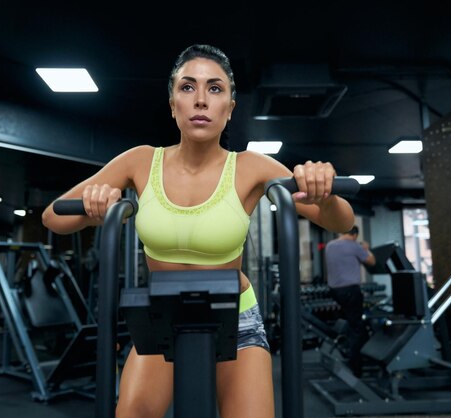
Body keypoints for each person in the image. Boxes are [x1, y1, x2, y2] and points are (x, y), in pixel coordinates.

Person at [42, 43, 355, 418]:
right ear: (173, 104)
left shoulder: (250, 167)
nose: (201, 100)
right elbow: (53, 217)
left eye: (215, 88)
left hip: (236, 317)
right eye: (188, 88)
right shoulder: (140, 161)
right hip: (161, 317)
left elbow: (342, 221)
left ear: (230, 108)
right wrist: (95, 208)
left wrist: (321, 194)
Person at [324, 225, 375, 376]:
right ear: (355, 235)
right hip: (351, 292)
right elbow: (372, 262)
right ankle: (356, 369)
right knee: (356, 329)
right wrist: (365, 248)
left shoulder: (330, 246)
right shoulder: (354, 246)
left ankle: (353, 357)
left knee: (350, 324)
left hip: (335, 292)